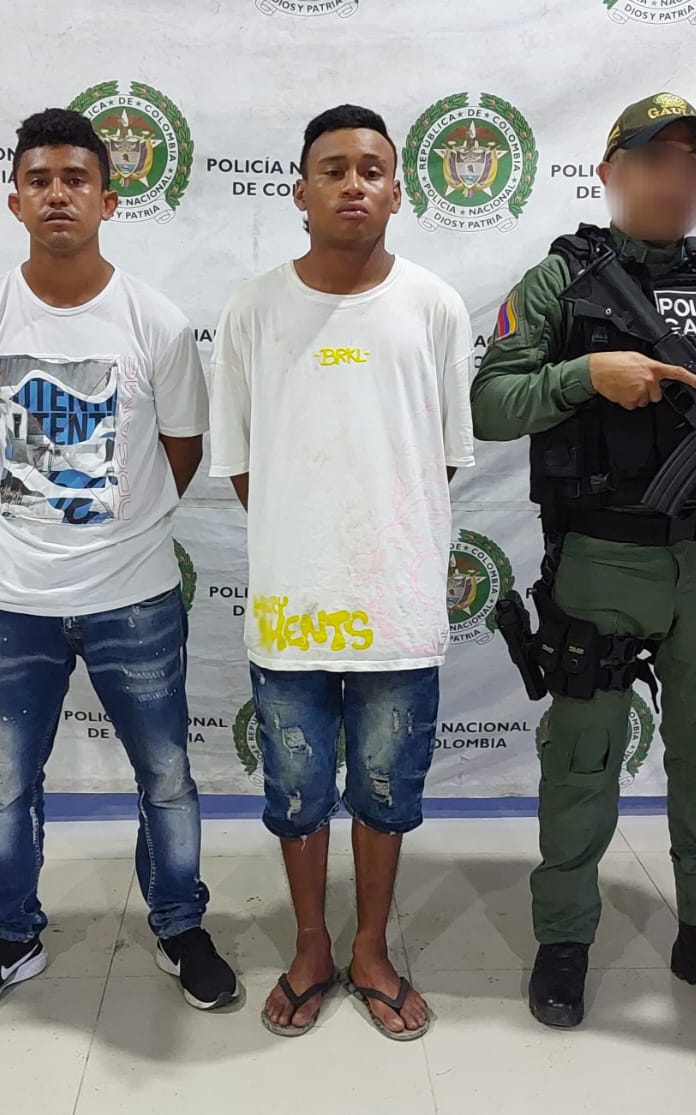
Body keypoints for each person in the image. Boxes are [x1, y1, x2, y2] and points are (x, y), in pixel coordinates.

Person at [472, 92, 696, 1030]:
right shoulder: (559, 284)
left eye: (692, 164)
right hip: (603, 558)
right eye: (655, 160)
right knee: (582, 760)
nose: (677, 180)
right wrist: (589, 375)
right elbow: (489, 403)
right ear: (610, 172)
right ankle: (566, 939)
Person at [0, 107, 237, 1019]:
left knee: (169, 778)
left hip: (134, 596)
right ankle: (10, 932)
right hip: (14, 599)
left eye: (75, 178)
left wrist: (118, 524)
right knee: (4, 786)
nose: (57, 193)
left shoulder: (155, 319)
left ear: (109, 197)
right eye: (39, 180)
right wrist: (41, 527)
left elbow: (180, 452)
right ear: (14, 198)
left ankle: (180, 923)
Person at [209, 105, 475, 1041]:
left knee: (387, 789)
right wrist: (309, 537)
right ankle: (311, 942)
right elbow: (242, 464)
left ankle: (370, 947)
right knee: (295, 789)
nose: (353, 183)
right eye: (333, 168)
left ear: (398, 192)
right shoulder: (251, 309)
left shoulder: (435, 305)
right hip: (293, 601)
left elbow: (438, 456)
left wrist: (378, 543)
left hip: (395, 605)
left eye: (372, 169)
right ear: (299, 192)